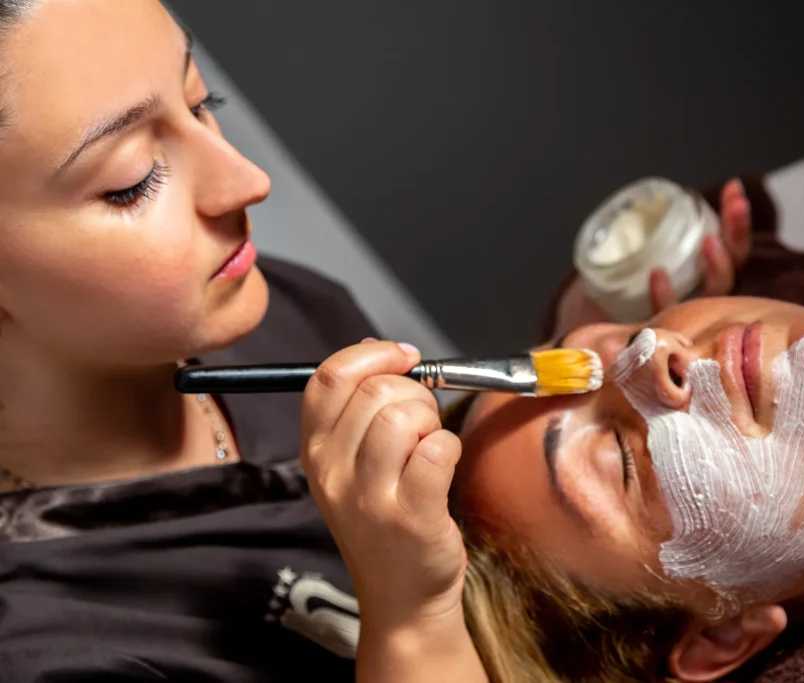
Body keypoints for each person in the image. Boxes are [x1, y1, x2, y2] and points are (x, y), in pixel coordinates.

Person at [0, 1, 754, 681]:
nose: (247, 181)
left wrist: (562, 347)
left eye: (203, 101)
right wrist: (409, 620)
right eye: (133, 180)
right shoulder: (48, 648)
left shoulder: (269, 305)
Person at [318, 50, 804, 683]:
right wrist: (410, 621)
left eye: (608, 347)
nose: (657, 359)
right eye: (623, 458)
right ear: (722, 634)